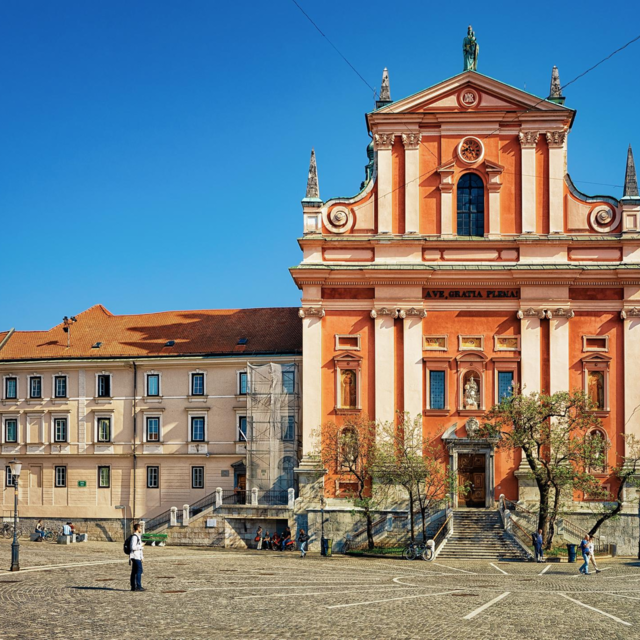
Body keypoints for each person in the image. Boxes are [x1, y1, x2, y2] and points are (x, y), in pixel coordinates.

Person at [129, 523, 145, 592]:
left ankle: (133, 586)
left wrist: (142, 557)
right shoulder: (134, 537)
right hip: (135, 556)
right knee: (139, 571)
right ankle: (138, 586)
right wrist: (141, 546)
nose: (141, 529)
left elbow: (139, 549)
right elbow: (132, 547)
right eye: (140, 528)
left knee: (134, 571)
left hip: (137, 556)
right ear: (137, 528)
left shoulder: (138, 536)